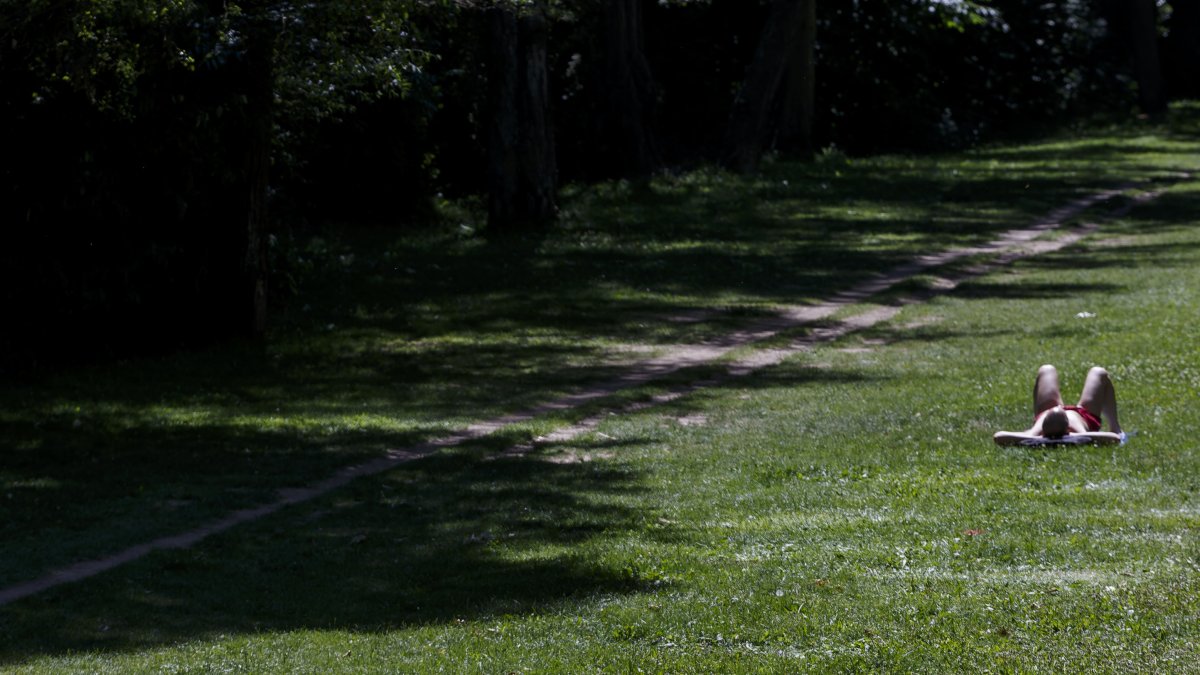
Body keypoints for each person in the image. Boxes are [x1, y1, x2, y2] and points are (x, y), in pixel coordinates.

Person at [994, 364, 1125, 446]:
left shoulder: (1034, 433)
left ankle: (1116, 426)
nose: (1059, 408)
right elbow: (1113, 438)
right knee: (1099, 372)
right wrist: (1074, 436)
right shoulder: (1079, 433)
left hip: (1047, 410)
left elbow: (999, 436)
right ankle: (1116, 427)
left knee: (1046, 369)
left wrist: (1038, 438)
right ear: (1068, 428)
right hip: (1083, 414)